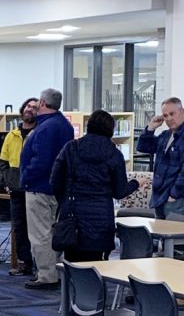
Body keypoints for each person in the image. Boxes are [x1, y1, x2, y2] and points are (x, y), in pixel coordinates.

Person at [51, 110, 145, 262]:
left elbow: (55, 181)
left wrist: (65, 200)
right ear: (111, 129)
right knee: (97, 267)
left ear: (89, 125)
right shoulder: (115, 154)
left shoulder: (71, 148)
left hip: (73, 218)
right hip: (101, 220)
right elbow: (119, 191)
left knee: (72, 266)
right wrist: (136, 183)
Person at [19, 88, 74, 290]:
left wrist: (26, 177)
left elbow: (41, 161)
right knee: (52, 231)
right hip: (58, 188)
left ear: (42, 103)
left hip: (39, 187)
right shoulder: (65, 126)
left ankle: (46, 274)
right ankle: (55, 270)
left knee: (40, 233)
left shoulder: (45, 128)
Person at [136, 97, 184, 219]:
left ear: (182, 111)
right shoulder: (165, 135)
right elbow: (143, 147)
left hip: (176, 201)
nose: (169, 119)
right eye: (165, 115)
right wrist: (151, 128)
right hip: (159, 198)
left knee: (173, 237)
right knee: (158, 236)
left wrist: (174, 194)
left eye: (172, 114)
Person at [0, 97, 38, 277]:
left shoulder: (39, 133)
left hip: (35, 189)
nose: (30, 109)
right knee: (19, 227)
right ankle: (25, 262)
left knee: (37, 228)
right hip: (16, 189)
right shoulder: (11, 135)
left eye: (35, 108)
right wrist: (8, 182)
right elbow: (3, 162)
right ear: (23, 109)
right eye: (28, 106)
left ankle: (40, 263)